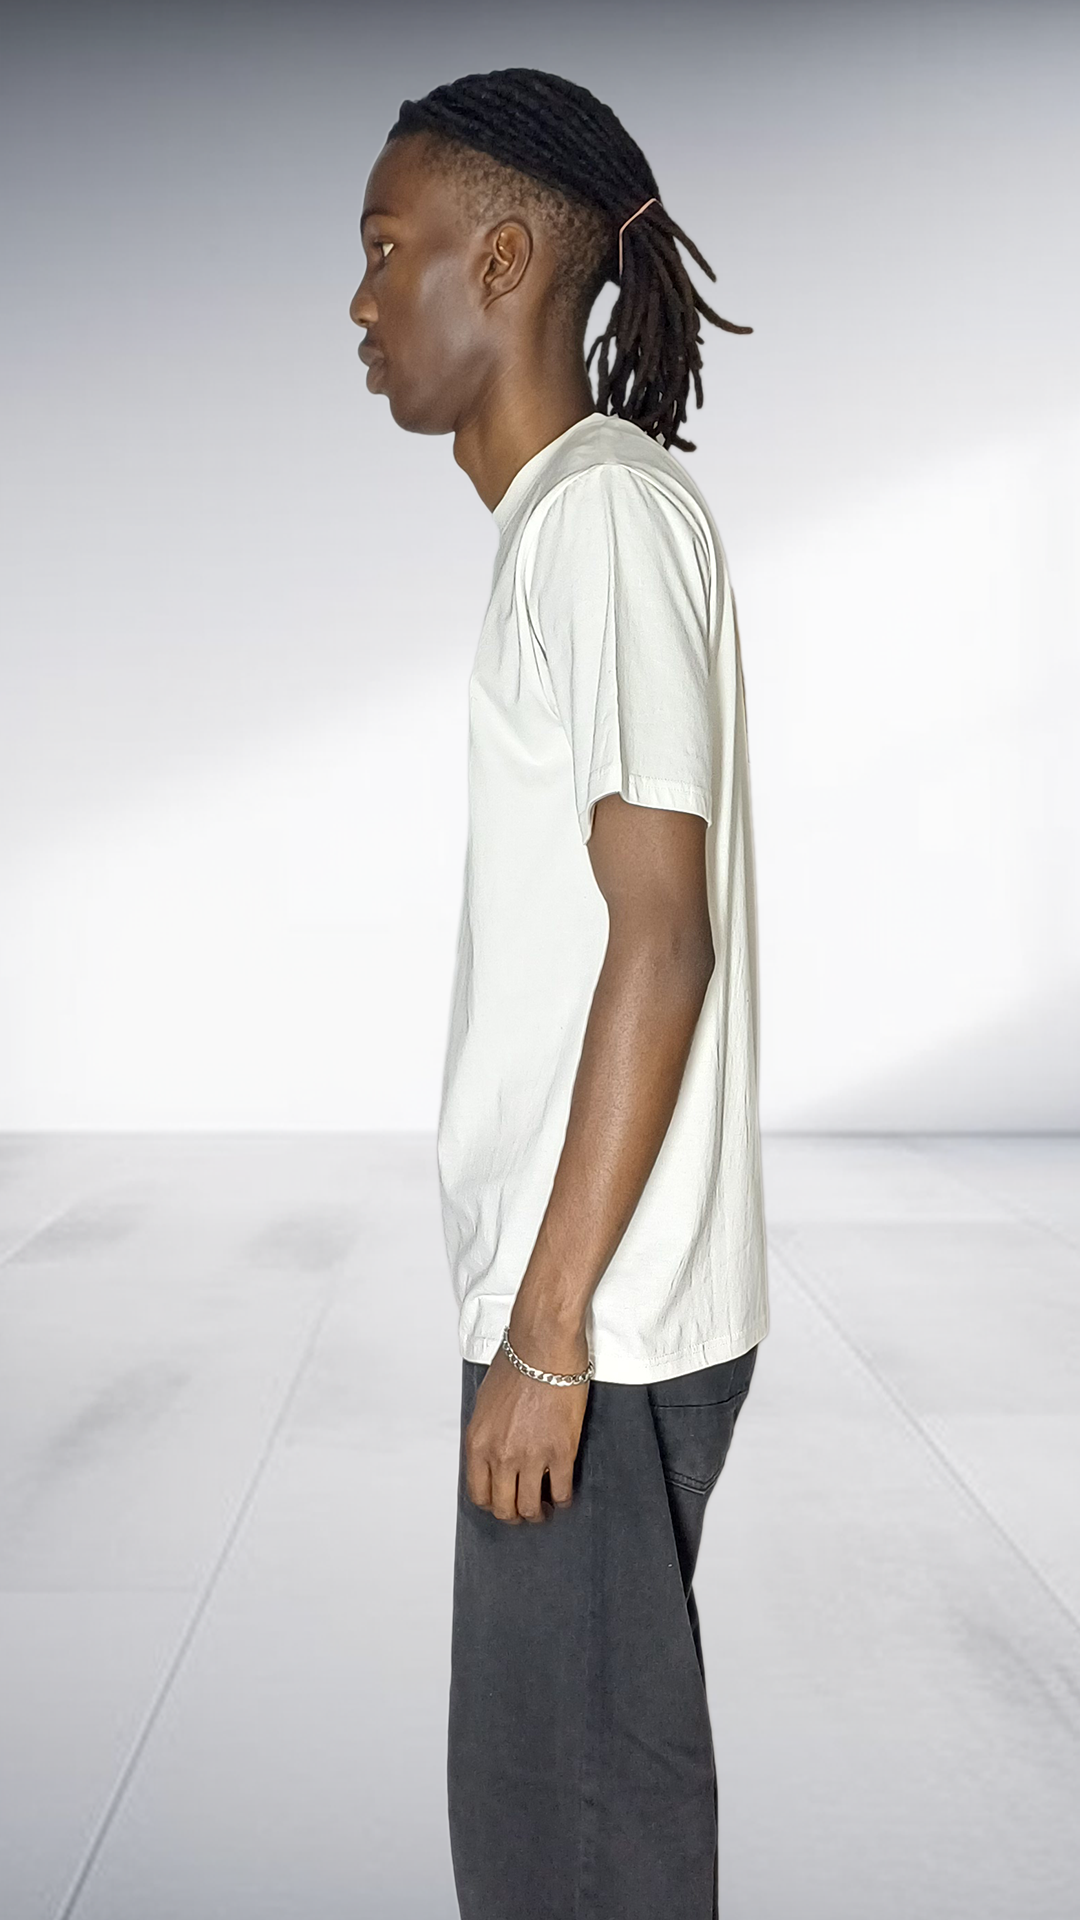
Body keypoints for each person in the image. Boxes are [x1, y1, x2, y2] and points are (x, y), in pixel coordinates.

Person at [349, 66, 770, 1920]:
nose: (361, 300)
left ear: (505, 259)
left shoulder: (602, 519)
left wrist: (545, 1336)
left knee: (570, 1855)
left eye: (389, 249)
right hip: (578, 1299)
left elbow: (658, 936)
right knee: (556, 1828)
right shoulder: (573, 525)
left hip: (591, 1320)